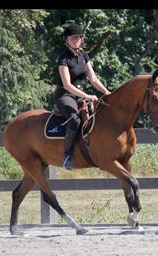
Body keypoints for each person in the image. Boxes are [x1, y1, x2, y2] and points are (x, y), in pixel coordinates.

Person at [54, 23, 111, 169]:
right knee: (75, 121)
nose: (76, 40)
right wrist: (87, 95)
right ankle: (67, 156)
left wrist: (107, 92)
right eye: (72, 38)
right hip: (65, 95)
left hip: (80, 94)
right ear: (66, 40)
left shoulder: (83, 55)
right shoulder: (63, 58)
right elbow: (67, 84)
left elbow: (93, 79)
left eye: (78, 38)